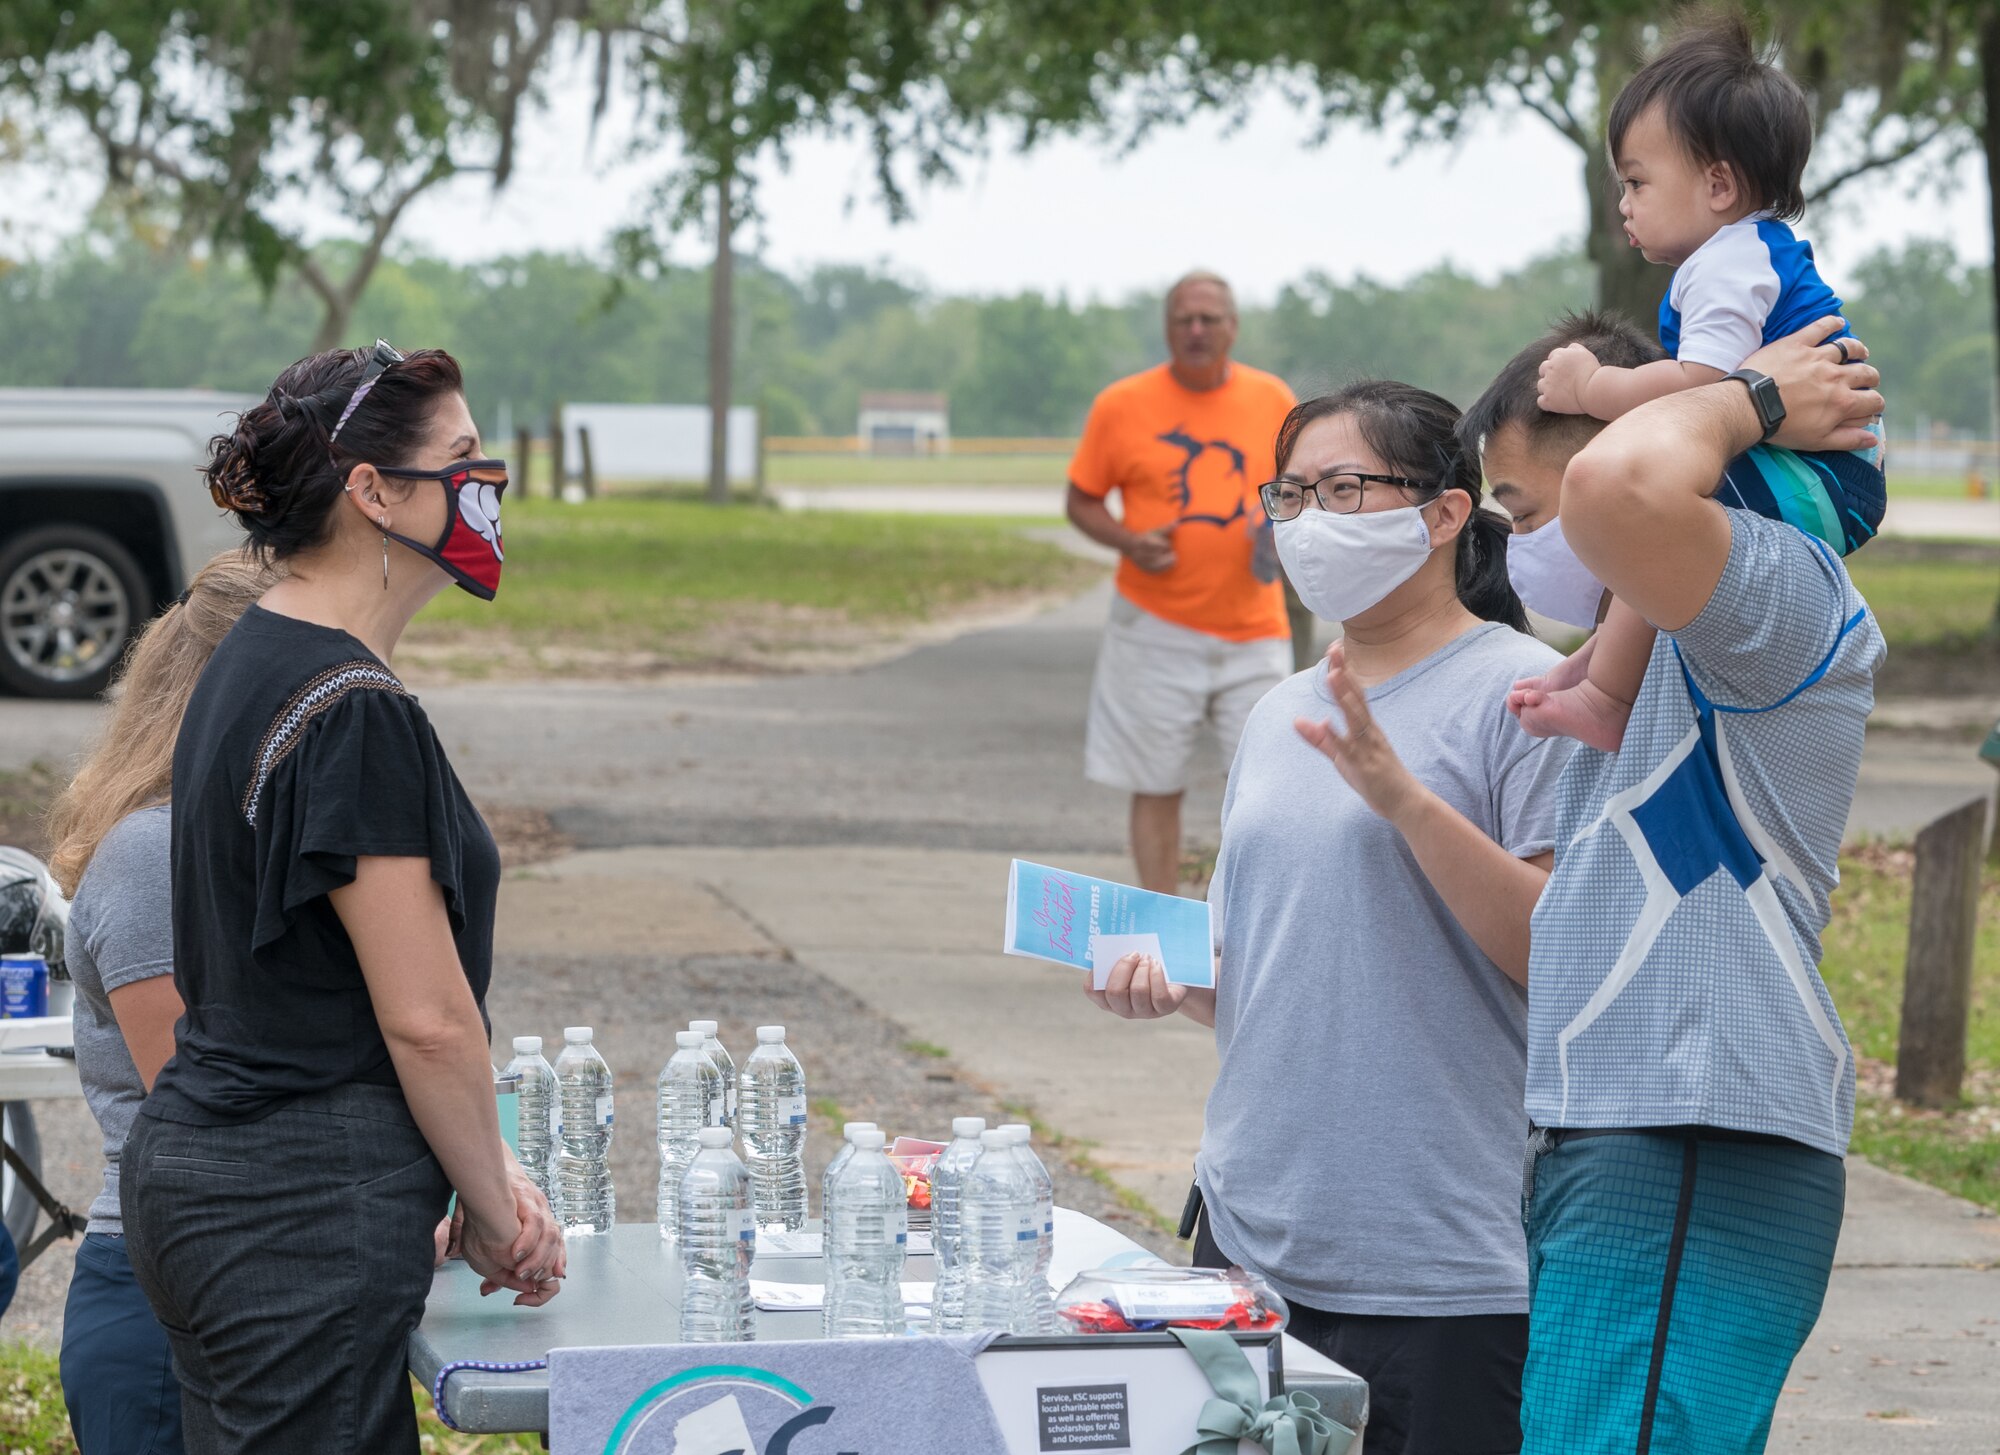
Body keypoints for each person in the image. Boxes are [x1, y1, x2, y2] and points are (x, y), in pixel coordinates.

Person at [1087, 380, 1575, 1454]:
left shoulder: (1529, 696)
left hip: (1440, 1263)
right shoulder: (1277, 712)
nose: (1308, 520)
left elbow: (1558, 957)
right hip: (1250, 1241)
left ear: (1444, 511)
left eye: (1343, 487)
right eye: (1290, 492)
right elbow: (1271, 976)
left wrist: (1401, 800)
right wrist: (1162, 977)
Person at [119, 342, 561, 1455]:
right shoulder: (352, 706)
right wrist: (501, 1220)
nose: (486, 487)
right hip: (298, 1208)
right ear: (372, 490)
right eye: (462, 460)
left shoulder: (254, 654)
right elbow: (424, 1016)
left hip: (214, 1184)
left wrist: (477, 1169)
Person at [1465, 311, 1884, 1454]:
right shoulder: (1645, 650)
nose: (1517, 538)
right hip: (1635, 1139)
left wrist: (1743, 394)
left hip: (1691, 1136)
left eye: (1519, 500)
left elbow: (1620, 491)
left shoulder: (1771, 602)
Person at [1520, 15, 1886, 752]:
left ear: (1718, 184)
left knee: (1644, 510)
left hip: (1822, 477)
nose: (1624, 203)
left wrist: (1594, 386)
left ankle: (1607, 692)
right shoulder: (1740, 256)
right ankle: (1604, 667)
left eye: (1636, 181)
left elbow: (1699, 387)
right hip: (1814, 466)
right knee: (1653, 520)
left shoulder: (1728, 264)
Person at [48, 553, 275, 1453]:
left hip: (236, 1284)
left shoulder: (235, 836)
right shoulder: (154, 852)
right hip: (159, 1307)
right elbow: (197, 1106)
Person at [1067, 271, 1297, 892]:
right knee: (1155, 780)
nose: (1197, 331)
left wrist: (1278, 523)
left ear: (1233, 326)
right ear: (1167, 327)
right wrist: (1127, 542)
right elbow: (1081, 500)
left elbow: (1301, 491)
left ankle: (1247, 917)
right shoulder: (1122, 404)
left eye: (1210, 319)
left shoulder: (1273, 399)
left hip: (1254, 627)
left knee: (1268, 781)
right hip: (1153, 626)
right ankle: (1158, 923)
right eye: (1183, 319)